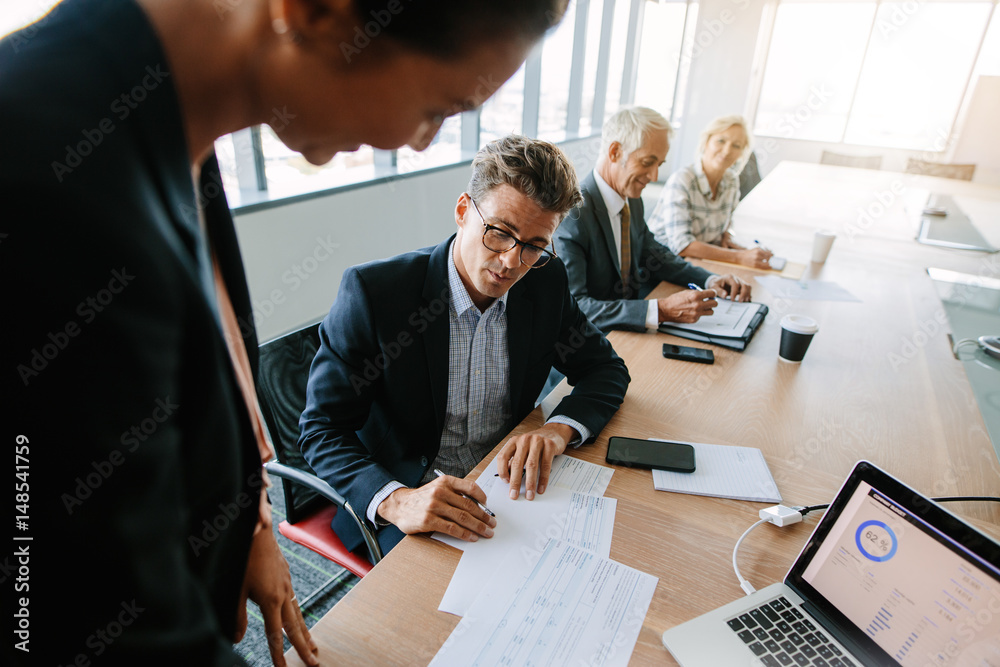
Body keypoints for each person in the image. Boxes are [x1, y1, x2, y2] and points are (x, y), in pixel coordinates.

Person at [1, 1, 571, 665]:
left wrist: (247, 517)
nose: (419, 143)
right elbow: (77, 615)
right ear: (320, 11)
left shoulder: (172, 124)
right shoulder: (42, 171)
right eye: (438, 108)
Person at [298, 135, 630, 555]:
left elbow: (605, 369)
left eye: (534, 245)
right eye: (499, 233)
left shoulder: (546, 281)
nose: (512, 261)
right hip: (406, 495)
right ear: (462, 212)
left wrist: (556, 431)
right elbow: (321, 429)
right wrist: (397, 500)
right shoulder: (376, 294)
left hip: (503, 487)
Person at [553, 107, 752, 333]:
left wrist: (709, 279)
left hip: (630, 330)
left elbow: (654, 254)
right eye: (648, 162)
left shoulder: (630, 197)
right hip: (589, 342)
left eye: (660, 164)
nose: (654, 177)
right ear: (615, 151)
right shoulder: (574, 214)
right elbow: (576, 306)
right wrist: (661, 310)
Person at [648, 114, 773, 269]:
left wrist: (728, 238)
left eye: (736, 146)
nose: (727, 151)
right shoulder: (683, 180)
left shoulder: (731, 180)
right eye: (721, 141)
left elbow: (725, 225)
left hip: (699, 261)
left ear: (742, 153)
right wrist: (739, 257)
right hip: (663, 264)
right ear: (706, 142)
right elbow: (682, 246)